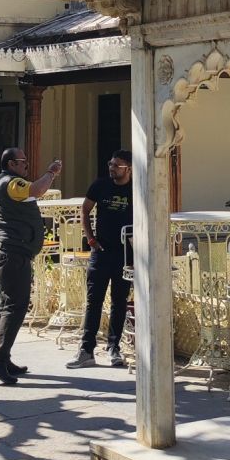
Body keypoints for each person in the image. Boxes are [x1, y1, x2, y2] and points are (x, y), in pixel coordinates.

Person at [0, 147, 61, 386]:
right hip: (11, 255)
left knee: (7, 306)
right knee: (15, 307)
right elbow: (38, 190)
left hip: (11, 254)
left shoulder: (13, 183)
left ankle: (3, 357)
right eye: (22, 162)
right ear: (10, 164)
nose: (26, 166)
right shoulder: (10, 183)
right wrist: (51, 172)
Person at [67, 149, 133, 369]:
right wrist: (91, 239)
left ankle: (114, 348)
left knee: (119, 301)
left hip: (125, 253)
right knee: (94, 301)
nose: (112, 168)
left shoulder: (137, 189)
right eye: (110, 163)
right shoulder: (100, 185)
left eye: (117, 165)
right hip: (101, 251)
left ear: (129, 168)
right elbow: (85, 210)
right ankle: (86, 350)